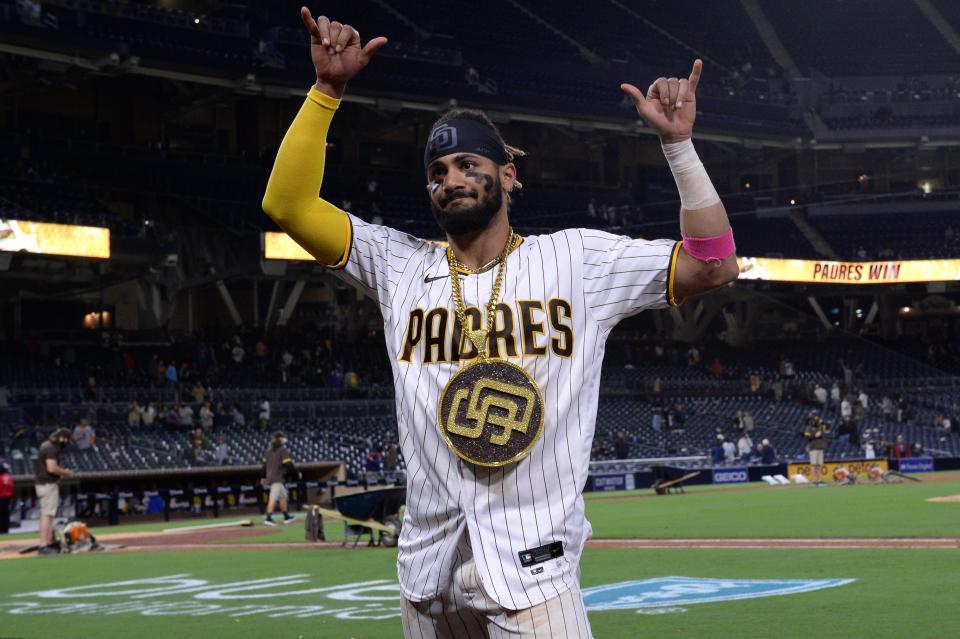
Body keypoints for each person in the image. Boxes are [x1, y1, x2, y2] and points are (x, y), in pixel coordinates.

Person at [262, 11, 737, 635]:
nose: (450, 180)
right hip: (428, 575)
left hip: (534, 574)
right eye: (437, 173)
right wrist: (327, 93)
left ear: (508, 176)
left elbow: (714, 263)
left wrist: (677, 146)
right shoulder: (397, 264)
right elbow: (287, 205)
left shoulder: (576, 259)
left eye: (465, 164)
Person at [35, 428, 73, 554]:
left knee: (48, 514)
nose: (66, 442)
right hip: (48, 484)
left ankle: (48, 542)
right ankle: (43, 545)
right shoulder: (52, 447)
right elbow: (51, 468)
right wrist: (65, 472)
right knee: (47, 514)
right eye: (66, 439)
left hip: (43, 484)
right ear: (62, 438)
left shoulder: (45, 445)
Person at [261, 431, 300, 526]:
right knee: (273, 498)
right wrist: (297, 473)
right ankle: (268, 518)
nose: (284, 439)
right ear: (280, 439)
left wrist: (263, 477)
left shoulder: (268, 451)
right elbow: (288, 464)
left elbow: (263, 466)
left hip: (273, 478)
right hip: (277, 478)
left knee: (283, 497)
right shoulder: (282, 450)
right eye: (283, 437)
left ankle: (286, 516)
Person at [804, 417, 828, 485]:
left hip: (821, 447)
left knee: (819, 465)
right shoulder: (809, 427)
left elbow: (828, 426)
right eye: (814, 420)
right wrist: (815, 436)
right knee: (814, 465)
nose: (815, 421)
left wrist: (822, 421)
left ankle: (819, 480)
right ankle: (814, 480)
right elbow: (806, 437)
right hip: (813, 448)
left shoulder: (820, 427)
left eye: (816, 420)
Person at [0, 461, 13, 534]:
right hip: (7, 498)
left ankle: (1, 530)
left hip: (1, 497)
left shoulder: (0, 477)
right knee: (6, 514)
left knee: (1, 515)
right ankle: (6, 529)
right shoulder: (8, 476)